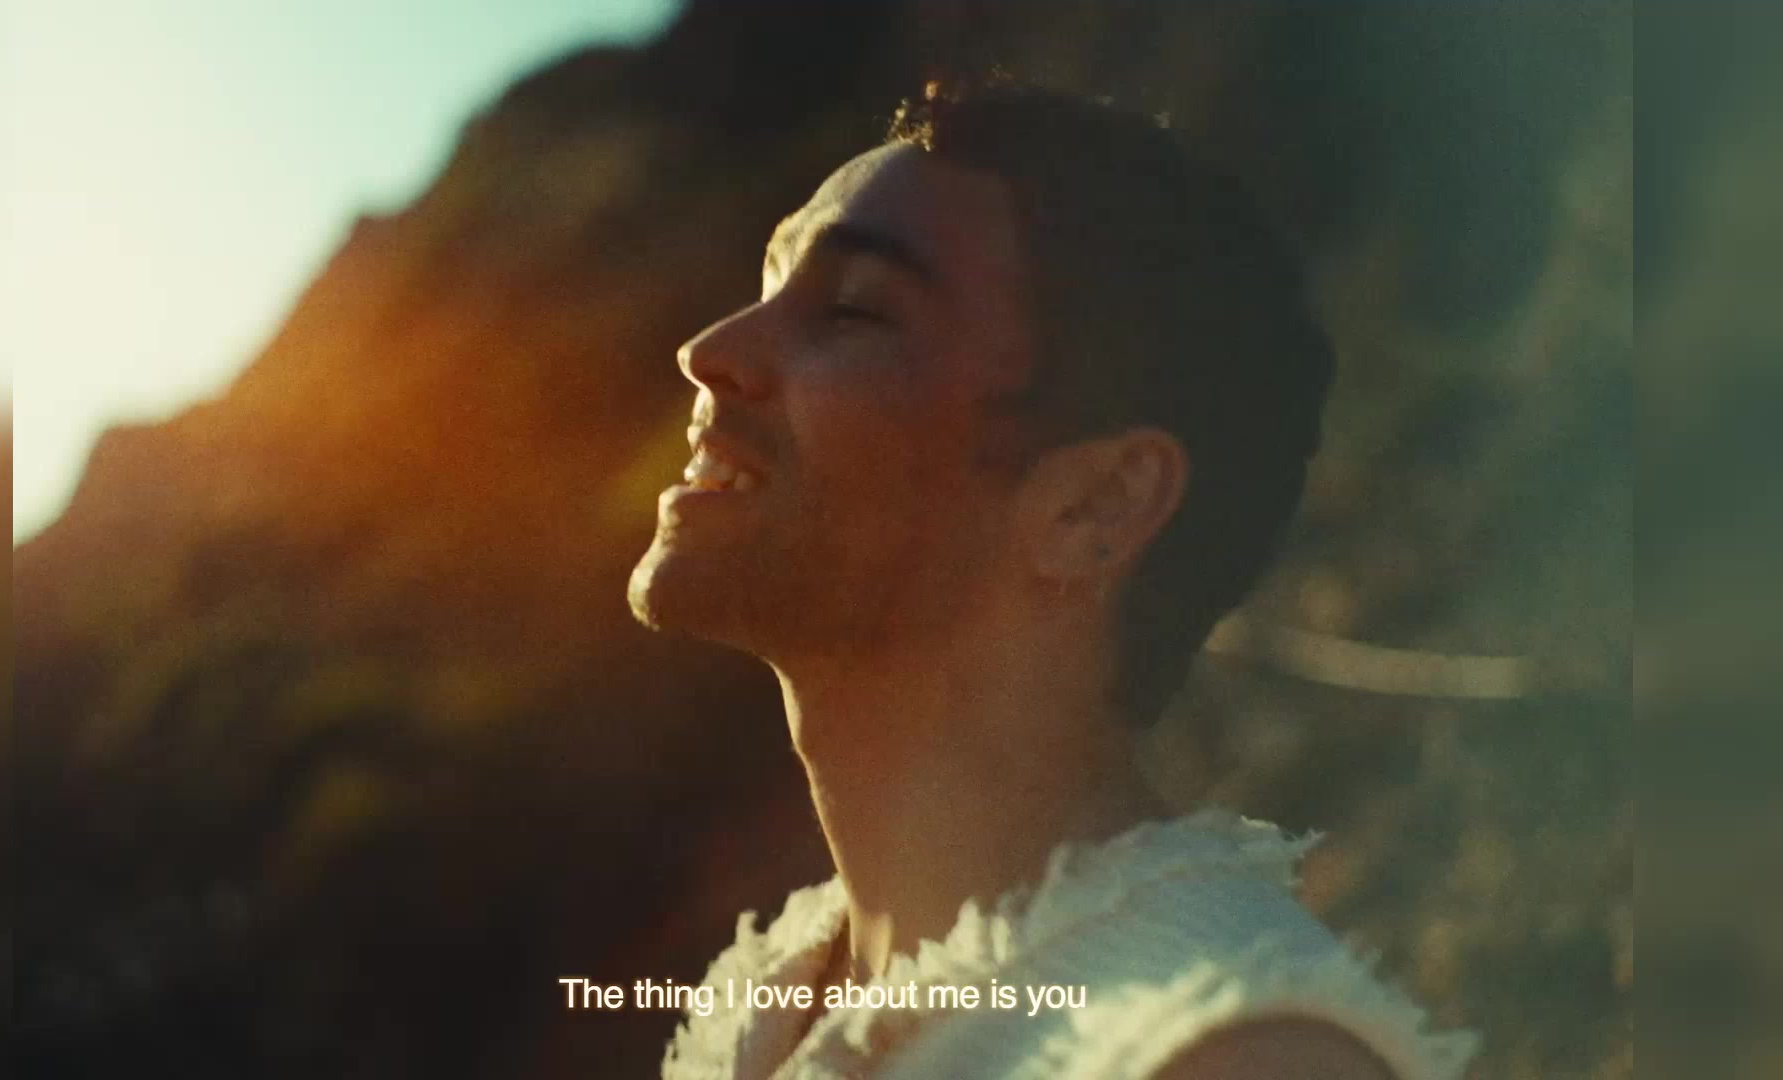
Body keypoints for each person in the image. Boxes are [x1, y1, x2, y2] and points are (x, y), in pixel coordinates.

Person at [626, 82, 1478, 1080]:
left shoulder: (1224, 1054)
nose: (708, 352)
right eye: (768, 282)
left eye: (854, 310)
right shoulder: (769, 1010)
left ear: (1095, 507)